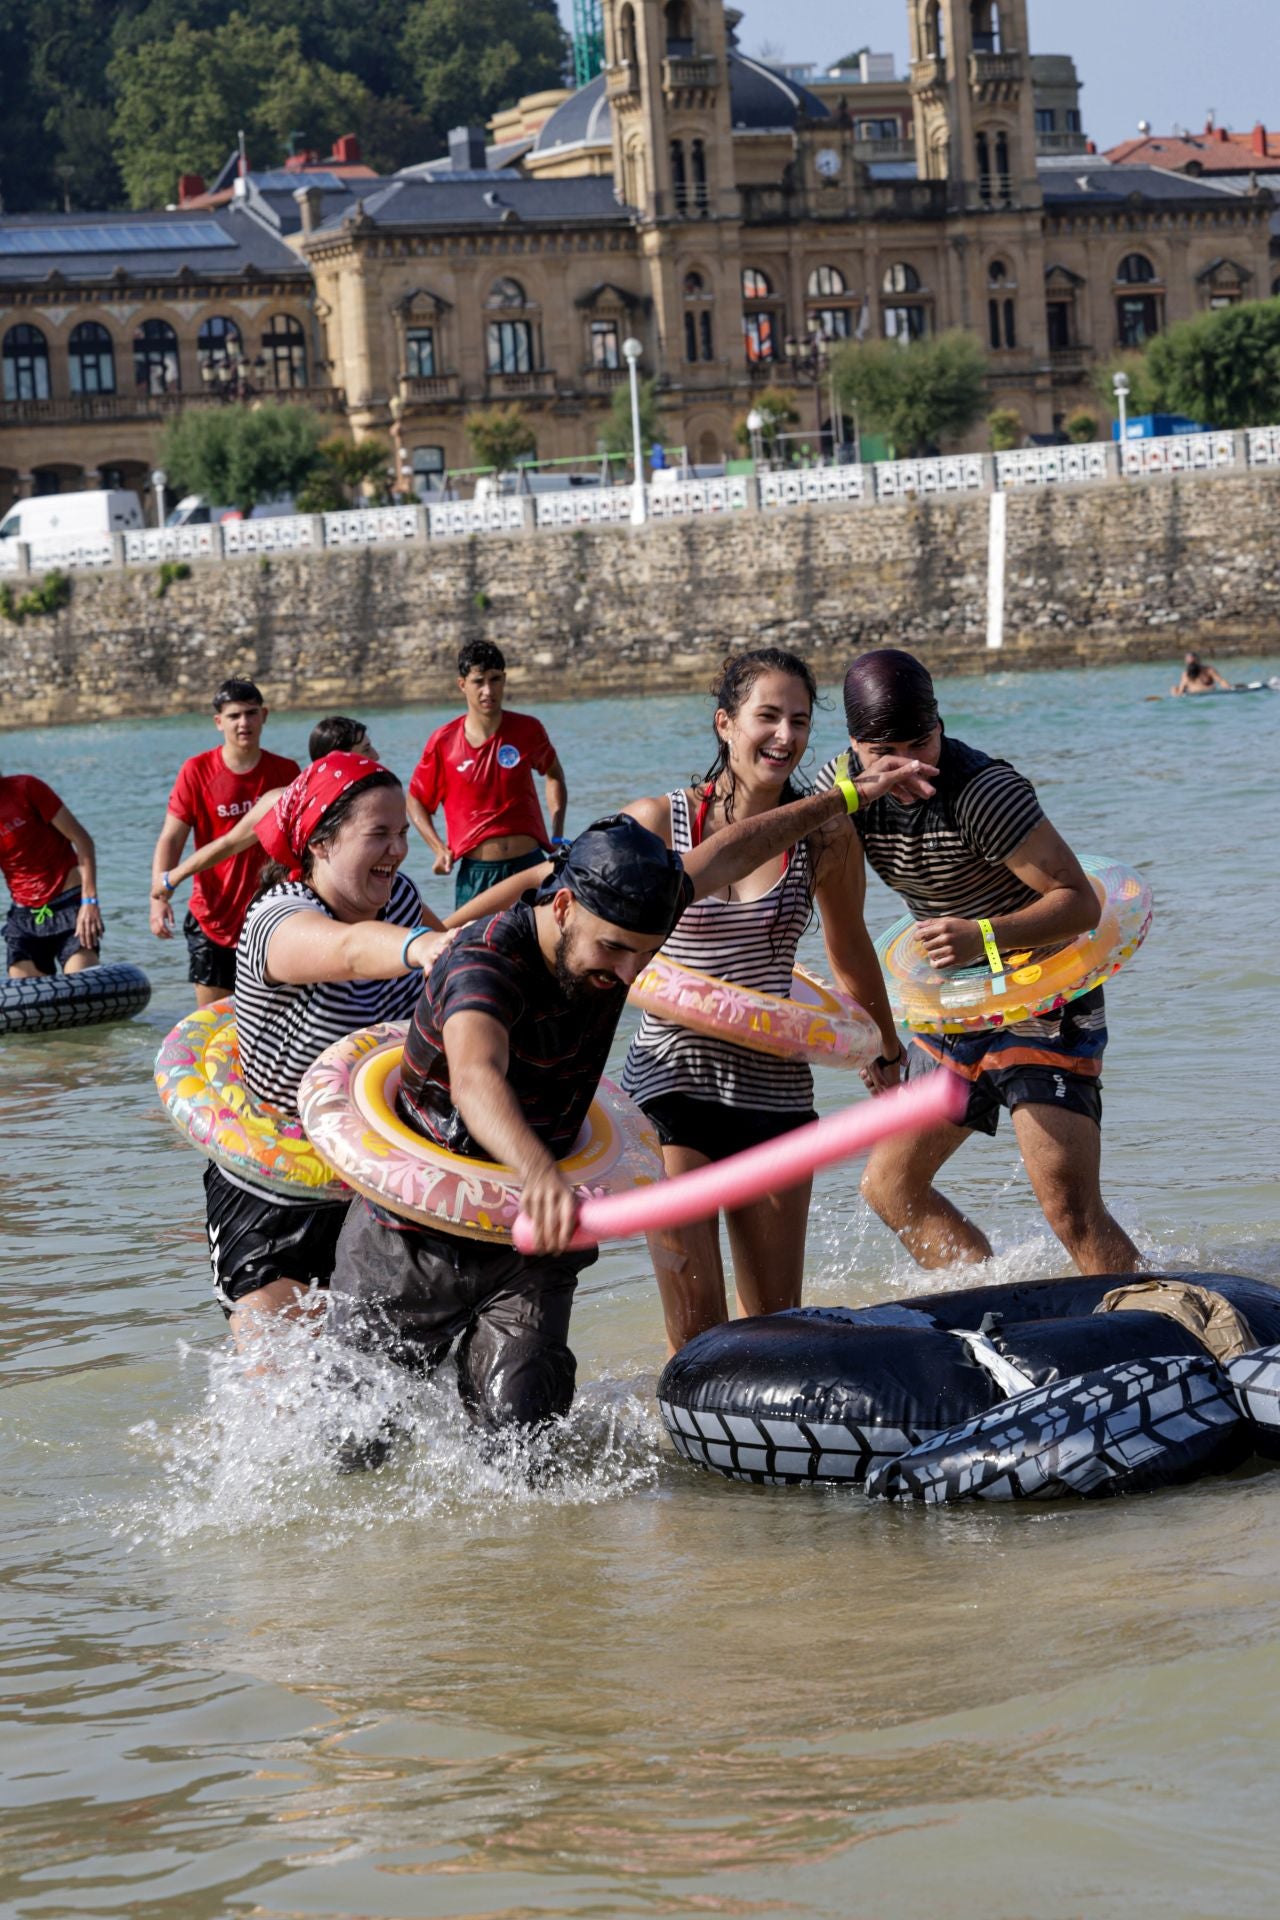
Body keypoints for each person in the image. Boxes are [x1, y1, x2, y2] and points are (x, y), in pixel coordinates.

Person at [328, 748, 936, 1445]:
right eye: (613, 950)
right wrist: (538, 1174)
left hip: (531, 1248)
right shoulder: (485, 964)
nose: (627, 972)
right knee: (359, 1447)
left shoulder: (631, 923)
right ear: (563, 904)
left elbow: (738, 849)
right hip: (411, 1235)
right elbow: (474, 1076)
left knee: (524, 1447)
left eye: (644, 956)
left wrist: (847, 798)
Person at [620, 648, 908, 1352]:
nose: (785, 736)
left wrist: (885, 1049)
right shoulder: (659, 823)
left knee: (776, 1333)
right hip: (670, 1087)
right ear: (725, 723)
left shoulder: (826, 833)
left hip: (774, 1095)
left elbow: (848, 951)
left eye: (801, 721)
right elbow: (599, 950)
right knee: (696, 1335)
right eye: (767, 717)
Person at [820, 647, 1141, 1277]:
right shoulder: (844, 795)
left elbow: (1078, 903)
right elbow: (840, 924)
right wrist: (873, 1042)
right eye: (888, 754)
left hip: (1043, 998)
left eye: (924, 742)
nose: (912, 765)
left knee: (1068, 1208)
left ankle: (1160, 1332)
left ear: (941, 725)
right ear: (855, 745)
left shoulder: (982, 794)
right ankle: (990, 1305)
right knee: (890, 1189)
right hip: (953, 1004)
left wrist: (984, 937)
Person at [204, 750, 450, 1343]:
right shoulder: (275, 919)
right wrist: (419, 948)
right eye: (379, 834)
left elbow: (456, 972)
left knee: (386, 1349)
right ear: (320, 842)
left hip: (378, 1167)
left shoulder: (399, 898)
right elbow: (347, 951)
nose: (398, 849)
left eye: (401, 833)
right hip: (277, 1184)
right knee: (276, 1327)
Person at [150, 677, 299, 1006]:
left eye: (251, 713)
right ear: (219, 722)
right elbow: (172, 837)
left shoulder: (286, 771)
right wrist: (159, 896)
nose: (243, 723)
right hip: (212, 917)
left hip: (268, 913)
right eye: (234, 716)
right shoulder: (197, 770)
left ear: (265, 715)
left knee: (274, 1013)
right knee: (214, 1020)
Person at [150, 715, 375, 907]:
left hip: (362, 901)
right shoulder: (286, 799)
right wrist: (172, 878)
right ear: (338, 757)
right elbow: (229, 843)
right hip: (304, 906)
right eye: (366, 749)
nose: (375, 756)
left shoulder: (373, 800)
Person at [407, 640, 568, 908]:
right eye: (478, 681)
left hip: (531, 865)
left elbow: (554, 775)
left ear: (504, 680)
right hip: (478, 876)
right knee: (474, 949)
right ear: (462, 684)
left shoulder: (528, 729)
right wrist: (439, 849)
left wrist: (558, 835)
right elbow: (415, 800)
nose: (488, 690)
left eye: (495, 680)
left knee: (544, 948)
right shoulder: (444, 742)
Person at [1, 765, 103, 978]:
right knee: (26, 1006)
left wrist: (90, 902)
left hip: (71, 907)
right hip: (24, 917)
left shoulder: (26, 788)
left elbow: (82, 840)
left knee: (81, 992)